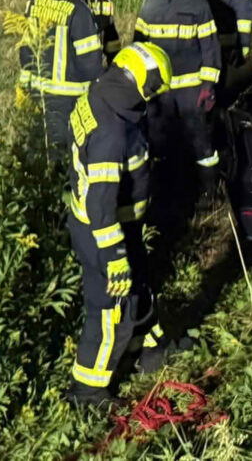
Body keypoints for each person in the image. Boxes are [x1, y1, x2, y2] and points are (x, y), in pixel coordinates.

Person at [64, 43, 175, 406]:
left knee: (140, 283)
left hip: (118, 226)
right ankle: (88, 392)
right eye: (153, 88)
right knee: (108, 309)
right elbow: (101, 203)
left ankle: (152, 350)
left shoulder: (103, 93)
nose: (153, 97)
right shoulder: (111, 131)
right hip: (104, 233)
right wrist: (114, 256)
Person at [134, 0, 222, 211]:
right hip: (159, 91)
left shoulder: (198, 5)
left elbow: (210, 47)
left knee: (199, 142)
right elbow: (138, 46)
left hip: (190, 90)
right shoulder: (150, 4)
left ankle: (209, 194)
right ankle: (165, 194)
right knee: (159, 142)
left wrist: (208, 87)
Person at [18, 0, 106, 158]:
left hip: (35, 91)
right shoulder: (79, 11)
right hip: (67, 98)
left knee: (37, 147)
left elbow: (24, 48)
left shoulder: (37, 4)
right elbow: (91, 64)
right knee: (63, 156)